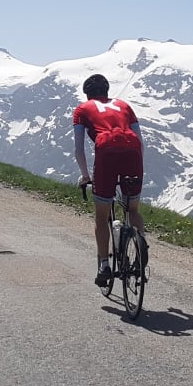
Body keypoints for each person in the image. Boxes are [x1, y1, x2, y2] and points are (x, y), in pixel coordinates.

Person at [73, 73, 148, 286]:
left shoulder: (82, 110)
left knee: (101, 217)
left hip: (106, 156)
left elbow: (78, 149)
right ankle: (141, 248)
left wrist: (86, 175)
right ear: (107, 91)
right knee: (132, 210)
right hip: (133, 155)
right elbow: (141, 143)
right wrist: (139, 168)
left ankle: (104, 265)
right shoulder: (124, 105)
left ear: (87, 94)